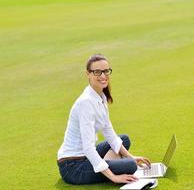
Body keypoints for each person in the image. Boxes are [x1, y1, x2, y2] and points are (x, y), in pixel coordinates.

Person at [57, 54, 150, 185]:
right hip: (72, 167)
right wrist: (114, 177)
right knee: (130, 166)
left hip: (85, 158)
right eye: (97, 72)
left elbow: (108, 131)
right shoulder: (86, 102)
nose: (103, 76)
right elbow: (88, 148)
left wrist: (131, 156)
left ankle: (105, 166)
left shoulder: (101, 96)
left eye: (106, 71)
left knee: (123, 139)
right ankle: (107, 168)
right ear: (88, 74)